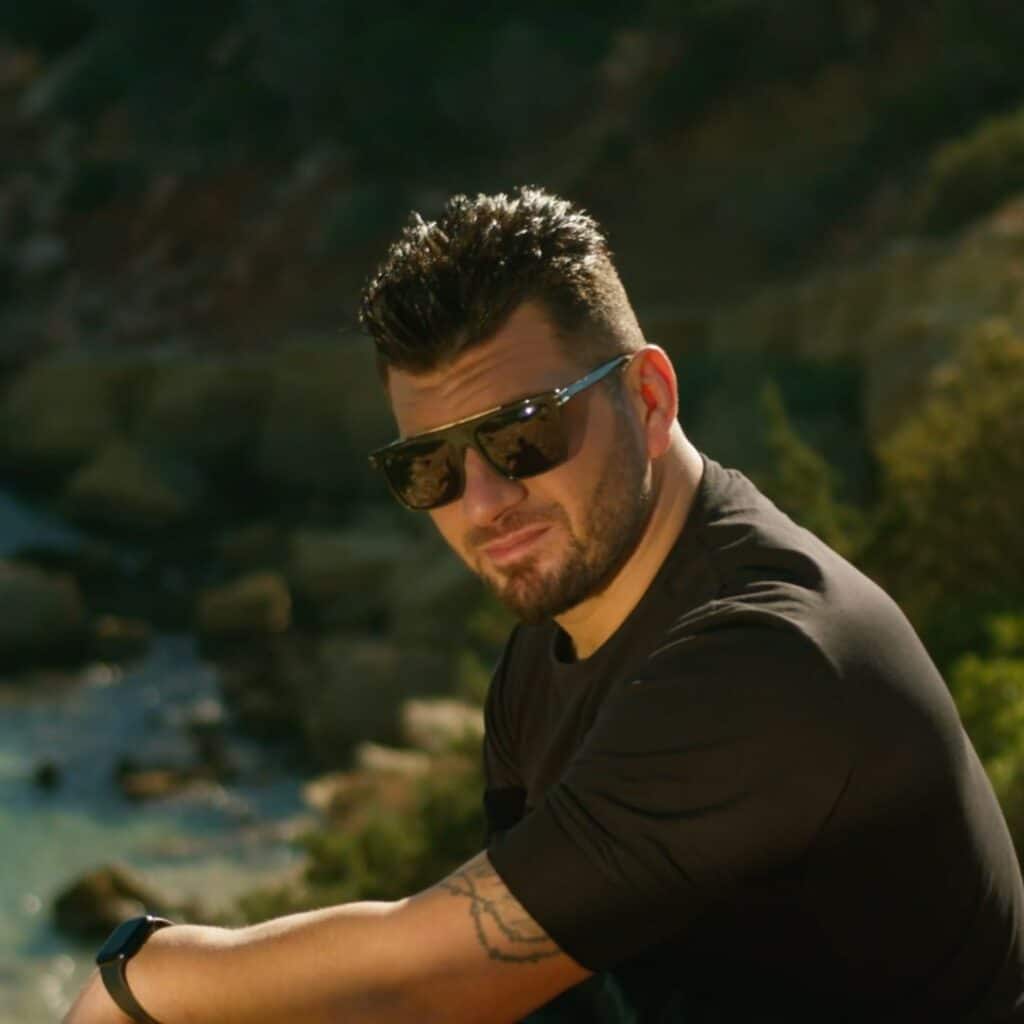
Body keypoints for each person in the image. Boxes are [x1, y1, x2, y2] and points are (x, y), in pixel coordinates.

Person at [66, 187, 1024, 1024]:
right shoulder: (543, 662)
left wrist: (141, 972)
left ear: (649, 398)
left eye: (524, 434)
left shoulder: (771, 657)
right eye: (429, 467)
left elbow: (430, 986)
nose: (483, 502)